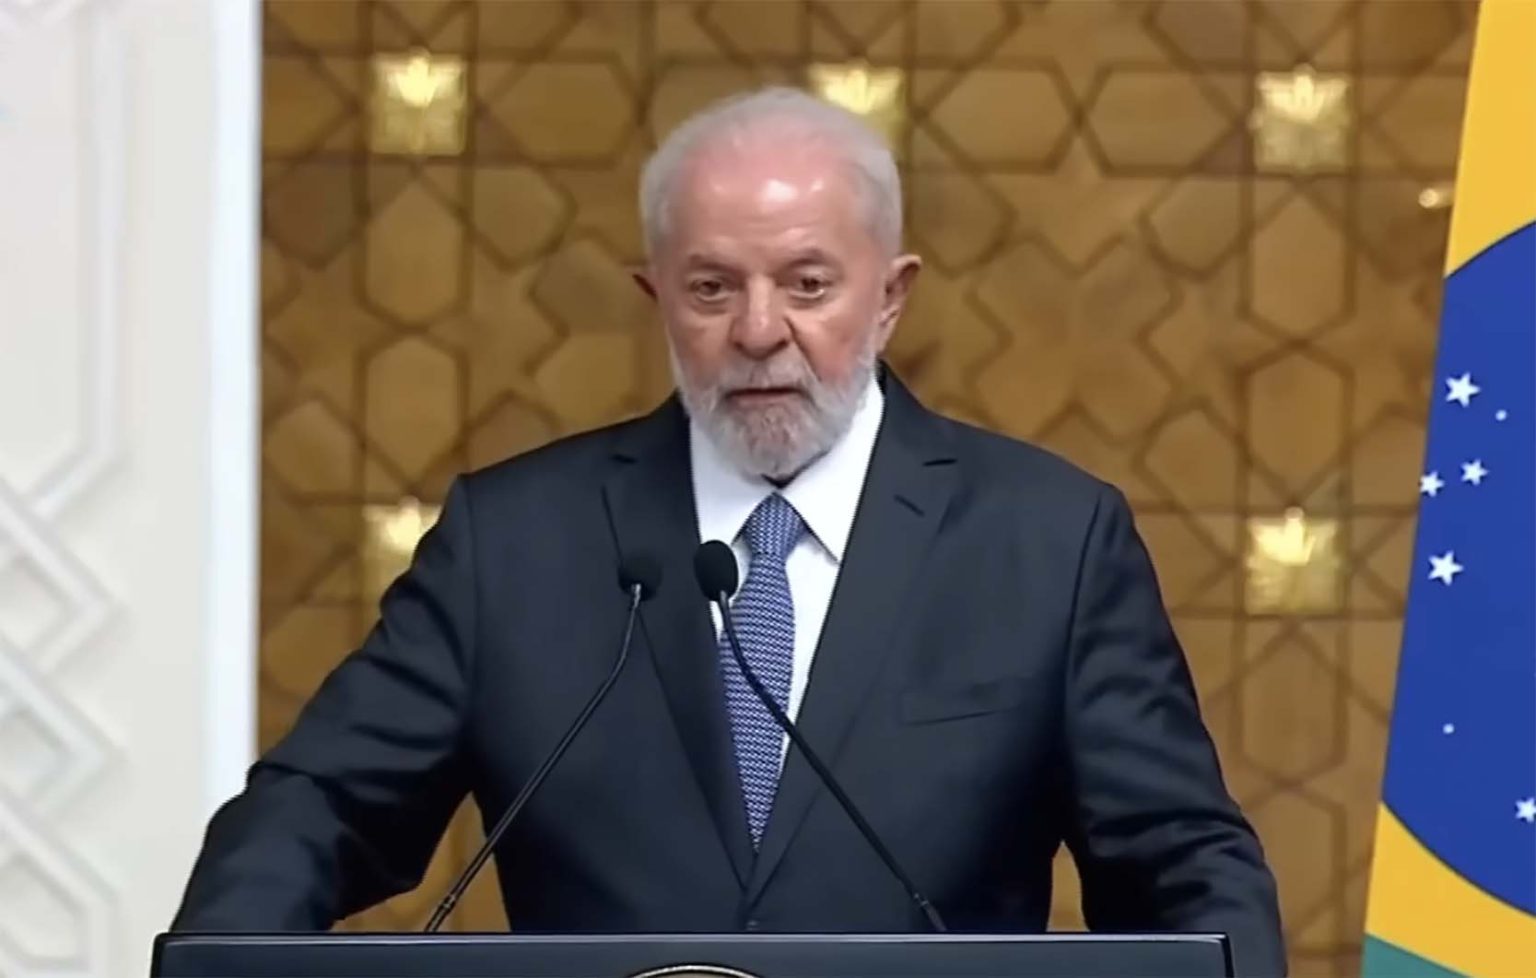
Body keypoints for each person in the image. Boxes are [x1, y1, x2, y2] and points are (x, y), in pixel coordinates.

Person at [174, 87, 1286, 975]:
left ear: (890, 296)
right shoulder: (512, 543)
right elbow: (316, 811)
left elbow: (1183, 866)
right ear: (654, 295)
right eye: (712, 289)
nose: (759, 331)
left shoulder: (1047, 541)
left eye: (808, 284)